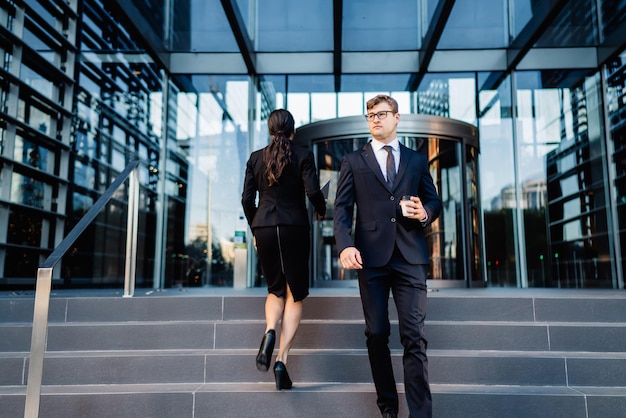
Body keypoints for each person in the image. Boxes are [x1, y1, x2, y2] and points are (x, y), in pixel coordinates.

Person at [333, 95, 441, 418]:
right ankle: (388, 405)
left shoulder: (417, 160)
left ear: (397, 118)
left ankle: (421, 414)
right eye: (370, 115)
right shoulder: (353, 161)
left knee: (414, 336)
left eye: (381, 114)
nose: (375, 119)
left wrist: (424, 212)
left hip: (410, 258)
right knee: (377, 332)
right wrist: (344, 245)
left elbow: (434, 201)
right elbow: (341, 209)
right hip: (370, 259)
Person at [241, 108, 326, 390]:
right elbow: (313, 191)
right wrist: (321, 209)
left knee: (274, 289)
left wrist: (256, 226)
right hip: (294, 227)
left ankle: (269, 332)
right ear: (293, 131)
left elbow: (246, 198)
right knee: (295, 293)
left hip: (264, 227)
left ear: (269, 130)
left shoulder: (255, 158)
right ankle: (281, 360)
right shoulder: (302, 154)